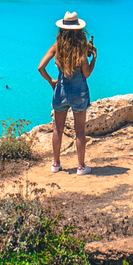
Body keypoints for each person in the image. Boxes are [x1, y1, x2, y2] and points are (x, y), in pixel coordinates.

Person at [37, 11, 97, 176]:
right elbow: (86, 73)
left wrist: (51, 81)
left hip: (61, 90)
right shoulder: (81, 48)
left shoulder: (57, 46)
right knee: (80, 131)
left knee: (57, 128)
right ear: (79, 30)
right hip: (79, 93)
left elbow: (40, 67)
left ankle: (55, 163)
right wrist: (93, 59)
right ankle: (80, 167)